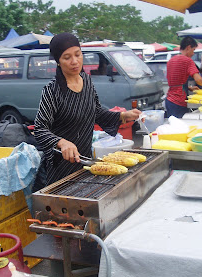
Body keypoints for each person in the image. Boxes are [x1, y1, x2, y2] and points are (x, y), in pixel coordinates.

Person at [34, 32, 141, 188]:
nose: (74, 61)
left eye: (78, 54)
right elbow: (40, 129)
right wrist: (62, 143)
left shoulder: (86, 80)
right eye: (67, 57)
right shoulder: (51, 90)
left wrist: (123, 116)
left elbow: (96, 111)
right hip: (60, 167)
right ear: (58, 61)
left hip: (84, 158)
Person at [166, 37, 202, 118]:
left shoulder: (171, 60)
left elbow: (175, 82)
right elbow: (198, 80)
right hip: (179, 101)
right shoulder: (187, 61)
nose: (193, 53)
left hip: (169, 100)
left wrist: (189, 88)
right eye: (193, 50)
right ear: (188, 47)